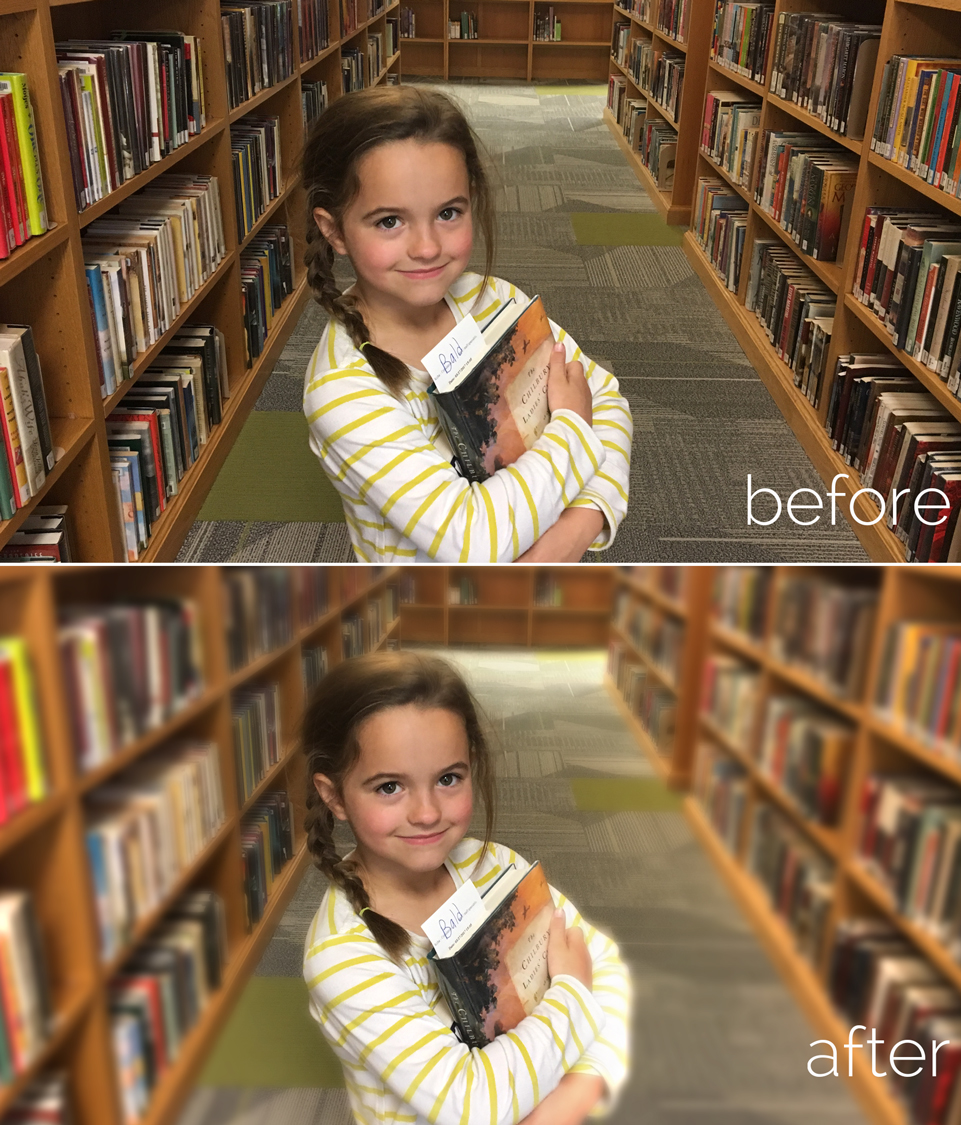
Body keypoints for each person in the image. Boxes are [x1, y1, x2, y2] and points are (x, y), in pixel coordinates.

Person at [301, 85, 632, 562]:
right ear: (335, 231)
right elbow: (475, 542)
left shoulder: (493, 301)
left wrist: (583, 523)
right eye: (390, 221)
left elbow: (606, 398)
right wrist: (575, 428)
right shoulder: (342, 389)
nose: (428, 247)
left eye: (448, 213)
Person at [302, 651, 631, 1124]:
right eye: (390, 787)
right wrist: (574, 993)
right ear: (334, 796)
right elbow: (473, 1105)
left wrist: (577, 1092)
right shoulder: (342, 954)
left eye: (448, 779)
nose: (428, 813)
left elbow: (606, 967)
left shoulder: (493, 866)